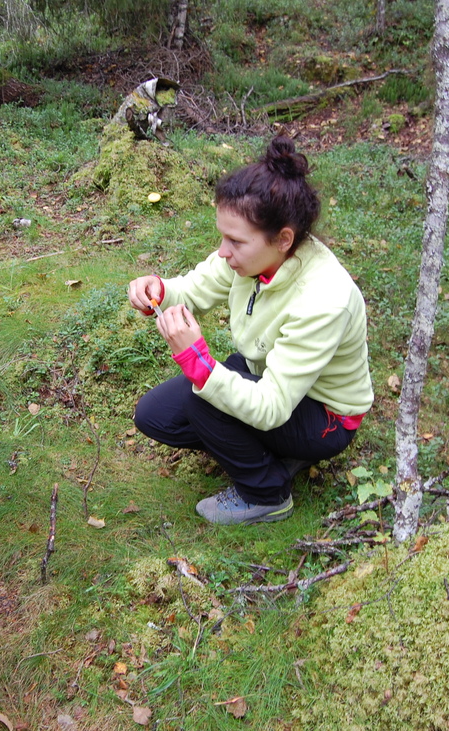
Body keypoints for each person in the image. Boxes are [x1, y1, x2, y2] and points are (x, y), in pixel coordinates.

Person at [127, 135, 374, 525]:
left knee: (203, 397)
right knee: (154, 415)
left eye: (235, 241)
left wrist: (199, 364)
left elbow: (273, 406)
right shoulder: (250, 257)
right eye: (222, 237)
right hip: (268, 373)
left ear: (283, 239)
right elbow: (193, 289)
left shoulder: (325, 298)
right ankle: (266, 451)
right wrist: (159, 290)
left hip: (324, 414)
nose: (223, 252)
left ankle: (267, 494)